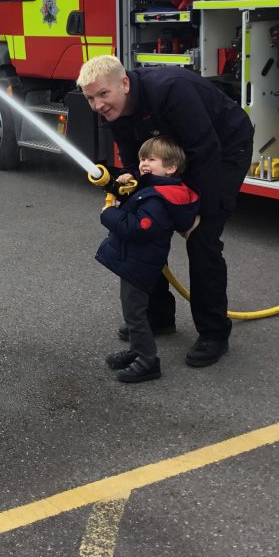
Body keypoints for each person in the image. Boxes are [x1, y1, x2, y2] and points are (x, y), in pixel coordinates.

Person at [78, 55, 254, 368]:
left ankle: (214, 333)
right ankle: (159, 317)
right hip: (171, 154)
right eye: (90, 98)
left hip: (222, 149)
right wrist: (131, 181)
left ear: (125, 83)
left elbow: (205, 151)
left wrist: (195, 212)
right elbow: (133, 155)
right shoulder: (112, 110)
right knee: (145, 229)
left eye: (103, 94)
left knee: (202, 240)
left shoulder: (171, 90)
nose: (98, 105)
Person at [96, 136, 200, 383]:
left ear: (171, 167)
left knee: (134, 312)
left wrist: (109, 215)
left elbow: (141, 228)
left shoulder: (158, 199)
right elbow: (134, 199)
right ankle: (136, 349)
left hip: (139, 263)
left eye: (151, 159)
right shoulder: (154, 189)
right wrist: (122, 183)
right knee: (133, 310)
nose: (143, 164)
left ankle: (147, 360)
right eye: (142, 158)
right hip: (137, 260)